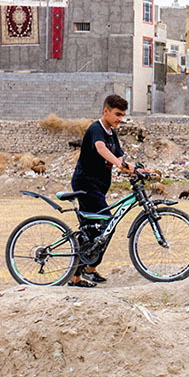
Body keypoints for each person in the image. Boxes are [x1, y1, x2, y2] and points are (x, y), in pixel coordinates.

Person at [68, 94, 133, 287]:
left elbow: (119, 157)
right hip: (85, 184)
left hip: (98, 186)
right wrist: (118, 164)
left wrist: (135, 169)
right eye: (117, 114)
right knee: (104, 225)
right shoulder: (96, 129)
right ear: (106, 111)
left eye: (122, 115)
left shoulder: (112, 133)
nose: (120, 119)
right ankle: (82, 272)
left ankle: (84, 273)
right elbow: (101, 149)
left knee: (94, 229)